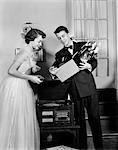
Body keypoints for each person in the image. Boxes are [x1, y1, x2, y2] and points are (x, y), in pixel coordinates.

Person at [49, 26, 103, 150]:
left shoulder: (83, 46)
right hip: (74, 92)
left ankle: (99, 148)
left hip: (89, 89)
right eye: (59, 38)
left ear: (69, 34)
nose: (62, 40)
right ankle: (82, 148)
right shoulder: (59, 55)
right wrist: (52, 71)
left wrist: (89, 65)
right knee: (80, 125)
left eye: (63, 36)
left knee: (95, 120)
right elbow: (56, 71)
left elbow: (94, 62)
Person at [0, 24, 46, 150]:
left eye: (41, 42)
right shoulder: (25, 52)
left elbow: (23, 68)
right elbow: (11, 71)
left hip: (22, 85)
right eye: (39, 41)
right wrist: (31, 77)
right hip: (16, 86)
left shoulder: (30, 51)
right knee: (17, 119)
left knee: (22, 120)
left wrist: (33, 68)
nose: (40, 44)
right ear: (31, 40)